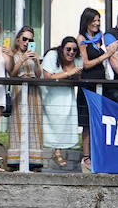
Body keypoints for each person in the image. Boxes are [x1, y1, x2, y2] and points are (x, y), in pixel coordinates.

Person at [76, 8, 117, 172]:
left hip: (101, 83)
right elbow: (86, 63)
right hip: (88, 84)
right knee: (87, 123)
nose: (97, 23)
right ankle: (86, 156)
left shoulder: (101, 38)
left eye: (98, 20)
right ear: (86, 21)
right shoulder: (81, 39)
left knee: (101, 121)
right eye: (94, 20)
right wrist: (105, 56)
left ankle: (99, 154)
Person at [5, 25, 45, 171]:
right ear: (18, 39)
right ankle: (15, 160)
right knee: (18, 123)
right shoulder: (13, 54)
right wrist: (22, 59)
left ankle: (34, 161)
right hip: (19, 90)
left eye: (30, 40)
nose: (27, 42)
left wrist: (37, 62)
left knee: (34, 124)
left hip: (34, 91)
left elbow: (39, 75)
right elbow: (12, 73)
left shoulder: (34, 54)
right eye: (24, 39)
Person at [40, 37, 82, 169]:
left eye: (74, 50)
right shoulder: (52, 55)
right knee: (53, 122)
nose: (71, 52)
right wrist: (69, 72)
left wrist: (75, 73)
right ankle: (55, 152)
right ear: (62, 48)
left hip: (66, 94)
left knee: (64, 122)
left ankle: (58, 151)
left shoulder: (78, 59)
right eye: (68, 49)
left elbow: (77, 78)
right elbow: (48, 76)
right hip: (50, 94)